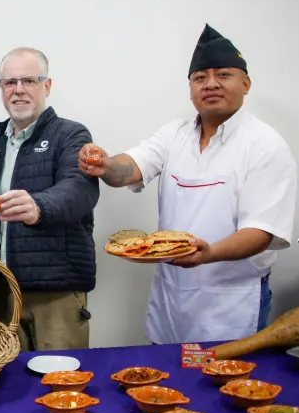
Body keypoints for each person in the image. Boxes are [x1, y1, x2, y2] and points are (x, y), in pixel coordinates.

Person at [79, 24, 297, 344]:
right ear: (191, 87)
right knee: (167, 382)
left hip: (231, 301)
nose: (210, 84)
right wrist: (106, 164)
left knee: (221, 388)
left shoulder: (266, 146)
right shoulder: (175, 134)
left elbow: (261, 232)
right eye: (200, 77)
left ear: (246, 83)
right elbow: (130, 168)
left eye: (223, 75)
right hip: (171, 297)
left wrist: (208, 254)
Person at [0, 48, 99, 351]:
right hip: (5, 293)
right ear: (1, 88)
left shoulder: (71, 135)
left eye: (29, 81)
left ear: (46, 86)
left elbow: (80, 189)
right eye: (10, 82)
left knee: (63, 386)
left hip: (56, 294)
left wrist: (40, 206)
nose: (19, 90)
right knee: (9, 387)